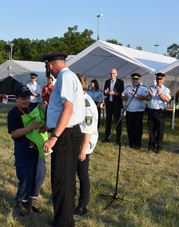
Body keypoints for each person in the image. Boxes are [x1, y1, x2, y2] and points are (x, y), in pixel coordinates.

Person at [42, 52, 85, 227]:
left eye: (47, 66)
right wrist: (48, 125)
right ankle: (63, 218)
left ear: (50, 65)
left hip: (65, 135)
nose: (47, 69)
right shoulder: (68, 76)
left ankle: (64, 223)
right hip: (67, 133)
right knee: (65, 179)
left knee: (62, 181)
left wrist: (54, 137)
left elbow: (68, 108)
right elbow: (62, 108)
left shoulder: (65, 77)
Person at [7, 85, 46, 216]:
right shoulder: (13, 113)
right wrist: (31, 127)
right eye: (23, 98)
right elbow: (15, 134)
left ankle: (32, 199)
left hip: (36, 149)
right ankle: (21, 201)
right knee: (24, 176)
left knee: (38, 175)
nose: (26, 101)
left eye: (28, 98)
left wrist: (43, 107)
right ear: (16, 99)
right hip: (23, 149)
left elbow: (41, 114)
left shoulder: (31, 109)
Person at [75, 73, 99, 216]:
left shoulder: (86, 104)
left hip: (83, 144)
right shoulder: (79, 100)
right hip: (77, 141)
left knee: (82, 175)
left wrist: (83, 151)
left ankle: (83, 205)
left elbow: (88, 130)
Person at [146, 73, 171, 153]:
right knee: (151, 130)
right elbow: (147, 99)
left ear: (163, 80)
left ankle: (159, 146)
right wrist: (149, 95)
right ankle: (151, 146)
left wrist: (160, 94)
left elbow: (167, 100)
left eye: (160, 79)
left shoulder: (166, 89)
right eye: (157, 79)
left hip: (160, 112)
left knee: (160, 131)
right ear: (156, 79)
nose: (159, 81)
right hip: (151, 111)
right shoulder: (151, 87)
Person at [121, 73, 148, 149]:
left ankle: (138, 144)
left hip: (139, 111)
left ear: (139, 80)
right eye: (134, 79)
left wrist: (135, 95)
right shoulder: (127, 88)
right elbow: (122, 98)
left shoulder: (143, 88)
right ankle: (131, 143)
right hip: (129, 111)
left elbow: (145, 98)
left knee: (138, 128)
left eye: (137, 79)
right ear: (131, 80)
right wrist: (125, 97)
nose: (135, 81)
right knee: (130, 128)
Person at [103, 68, 124, 144]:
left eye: (113, 73)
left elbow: (121, 93)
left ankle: (118, 140)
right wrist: (106, 92)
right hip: (109, 104)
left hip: (117, 105)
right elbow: (104, 92)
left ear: (116, 74)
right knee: (108, 121)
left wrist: (114, 93)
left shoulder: (120, 82)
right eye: (111, 73)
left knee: (117, 122)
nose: (112, 75)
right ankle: (106, 138)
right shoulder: (107, 82)